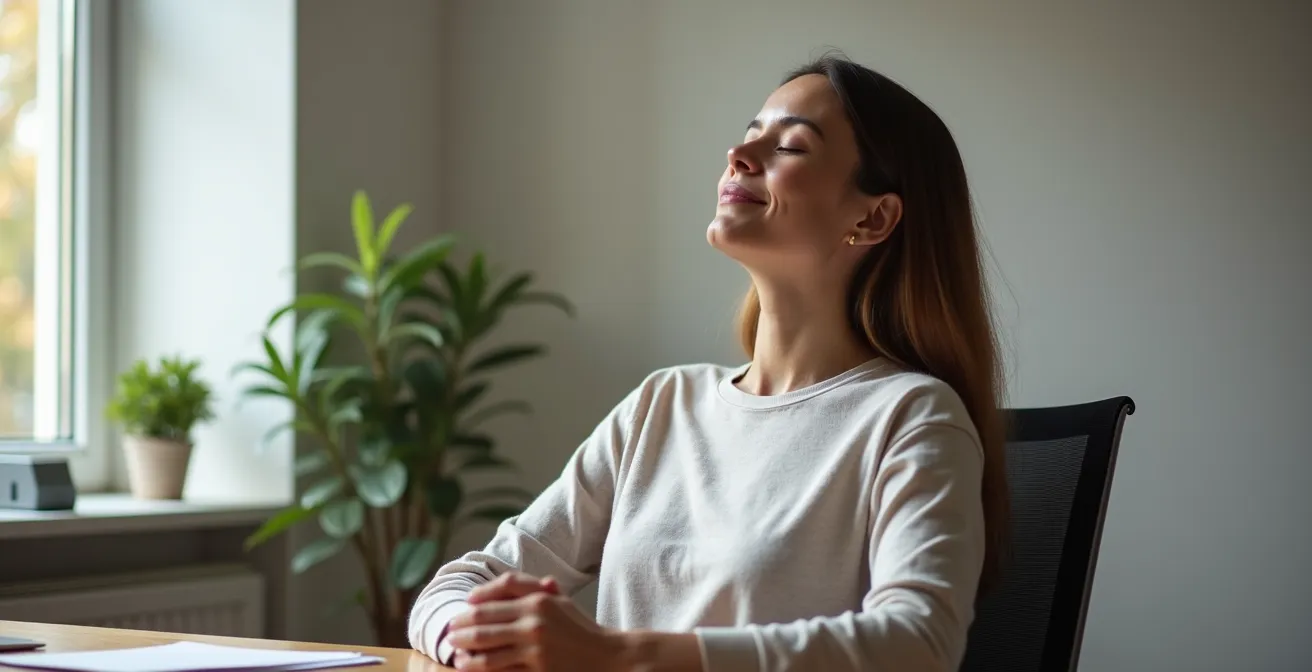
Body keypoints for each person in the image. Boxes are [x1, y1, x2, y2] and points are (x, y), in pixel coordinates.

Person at [408, 54, 1008, 672]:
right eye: (751, 135)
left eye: (790, 146)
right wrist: (474, 641)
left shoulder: (912, 417)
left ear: (873, 217)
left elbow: (917, 643)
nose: (739, 155)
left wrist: (617, 655)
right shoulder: (663, 404)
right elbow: (465, 582)